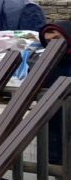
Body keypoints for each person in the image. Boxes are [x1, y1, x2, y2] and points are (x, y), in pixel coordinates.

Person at [38, 21, 71, 167]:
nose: (52, 44)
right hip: (54, 121)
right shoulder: (45, 61)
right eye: (48, 41)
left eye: (56, 39)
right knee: (57, 163)